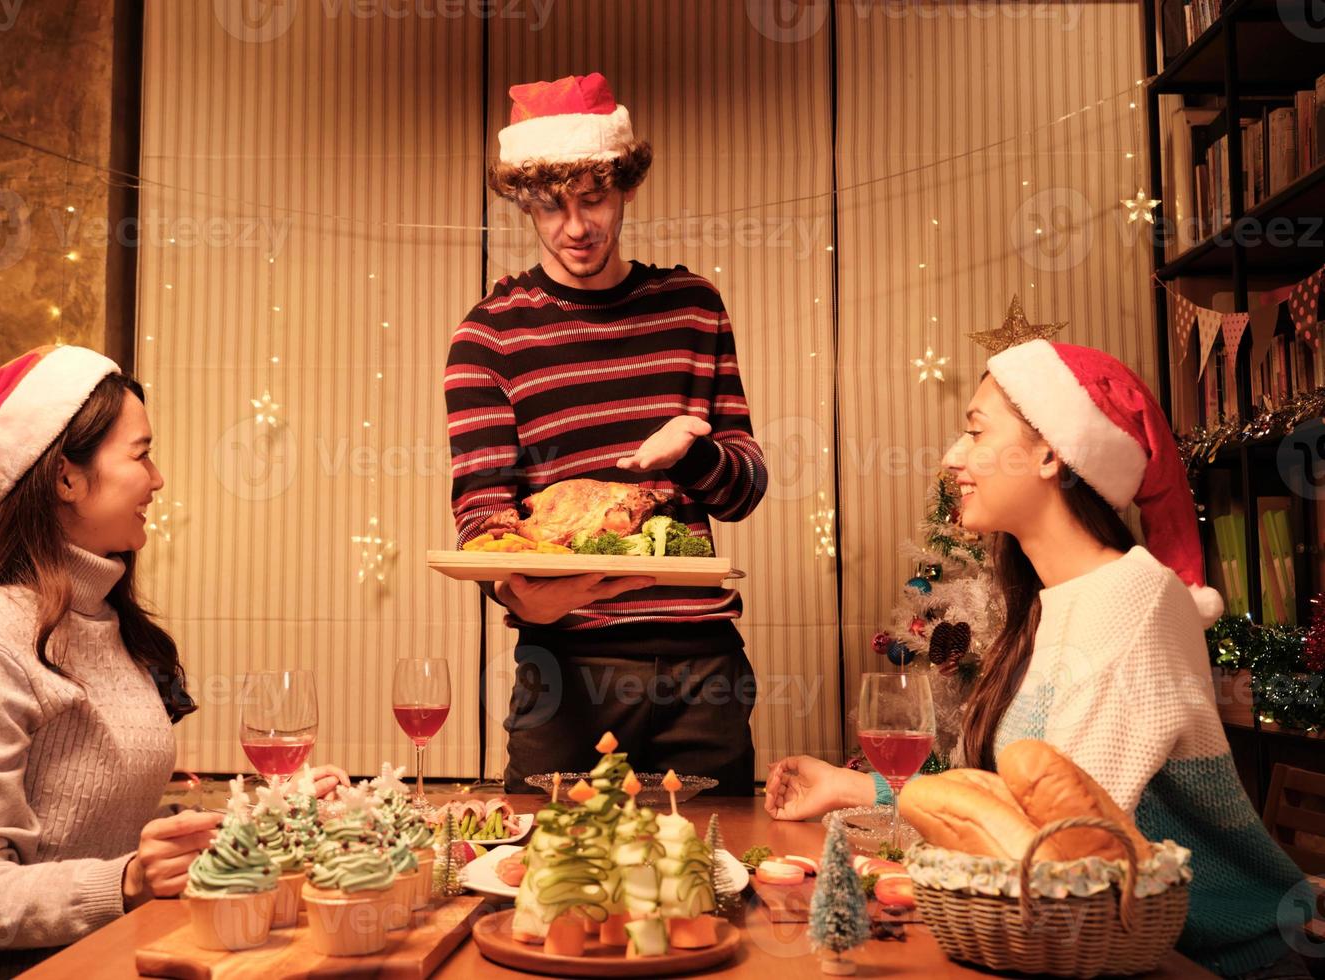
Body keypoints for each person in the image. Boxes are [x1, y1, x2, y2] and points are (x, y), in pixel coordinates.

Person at [765, 340, 1313, 978]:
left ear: (1054, 452)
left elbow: (1055, 845)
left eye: (975, 432)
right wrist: (850, 786)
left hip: (1211, 963)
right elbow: (997, 801)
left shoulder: (1133, 601)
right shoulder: (1050, 606)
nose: (952, 458)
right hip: (1105, 950)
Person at [0, 346, 344, 978]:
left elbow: (101, 828)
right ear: (65, 478)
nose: (158, 478)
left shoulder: (108, 621)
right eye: (141, 453)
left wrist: (273, 813)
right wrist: (127, 882)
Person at [445, 72, 767, 794]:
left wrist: (695, 456)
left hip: (702, 669)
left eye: (593, 198)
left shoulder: (693, 308)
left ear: (625, 185)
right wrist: (516, 592)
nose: (576, 227)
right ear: (524, 202)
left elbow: (745, 489)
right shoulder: (488, 336)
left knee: (707, 877)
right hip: (566, 668)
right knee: (549, 880)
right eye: (551, 207)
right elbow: (482, 519)